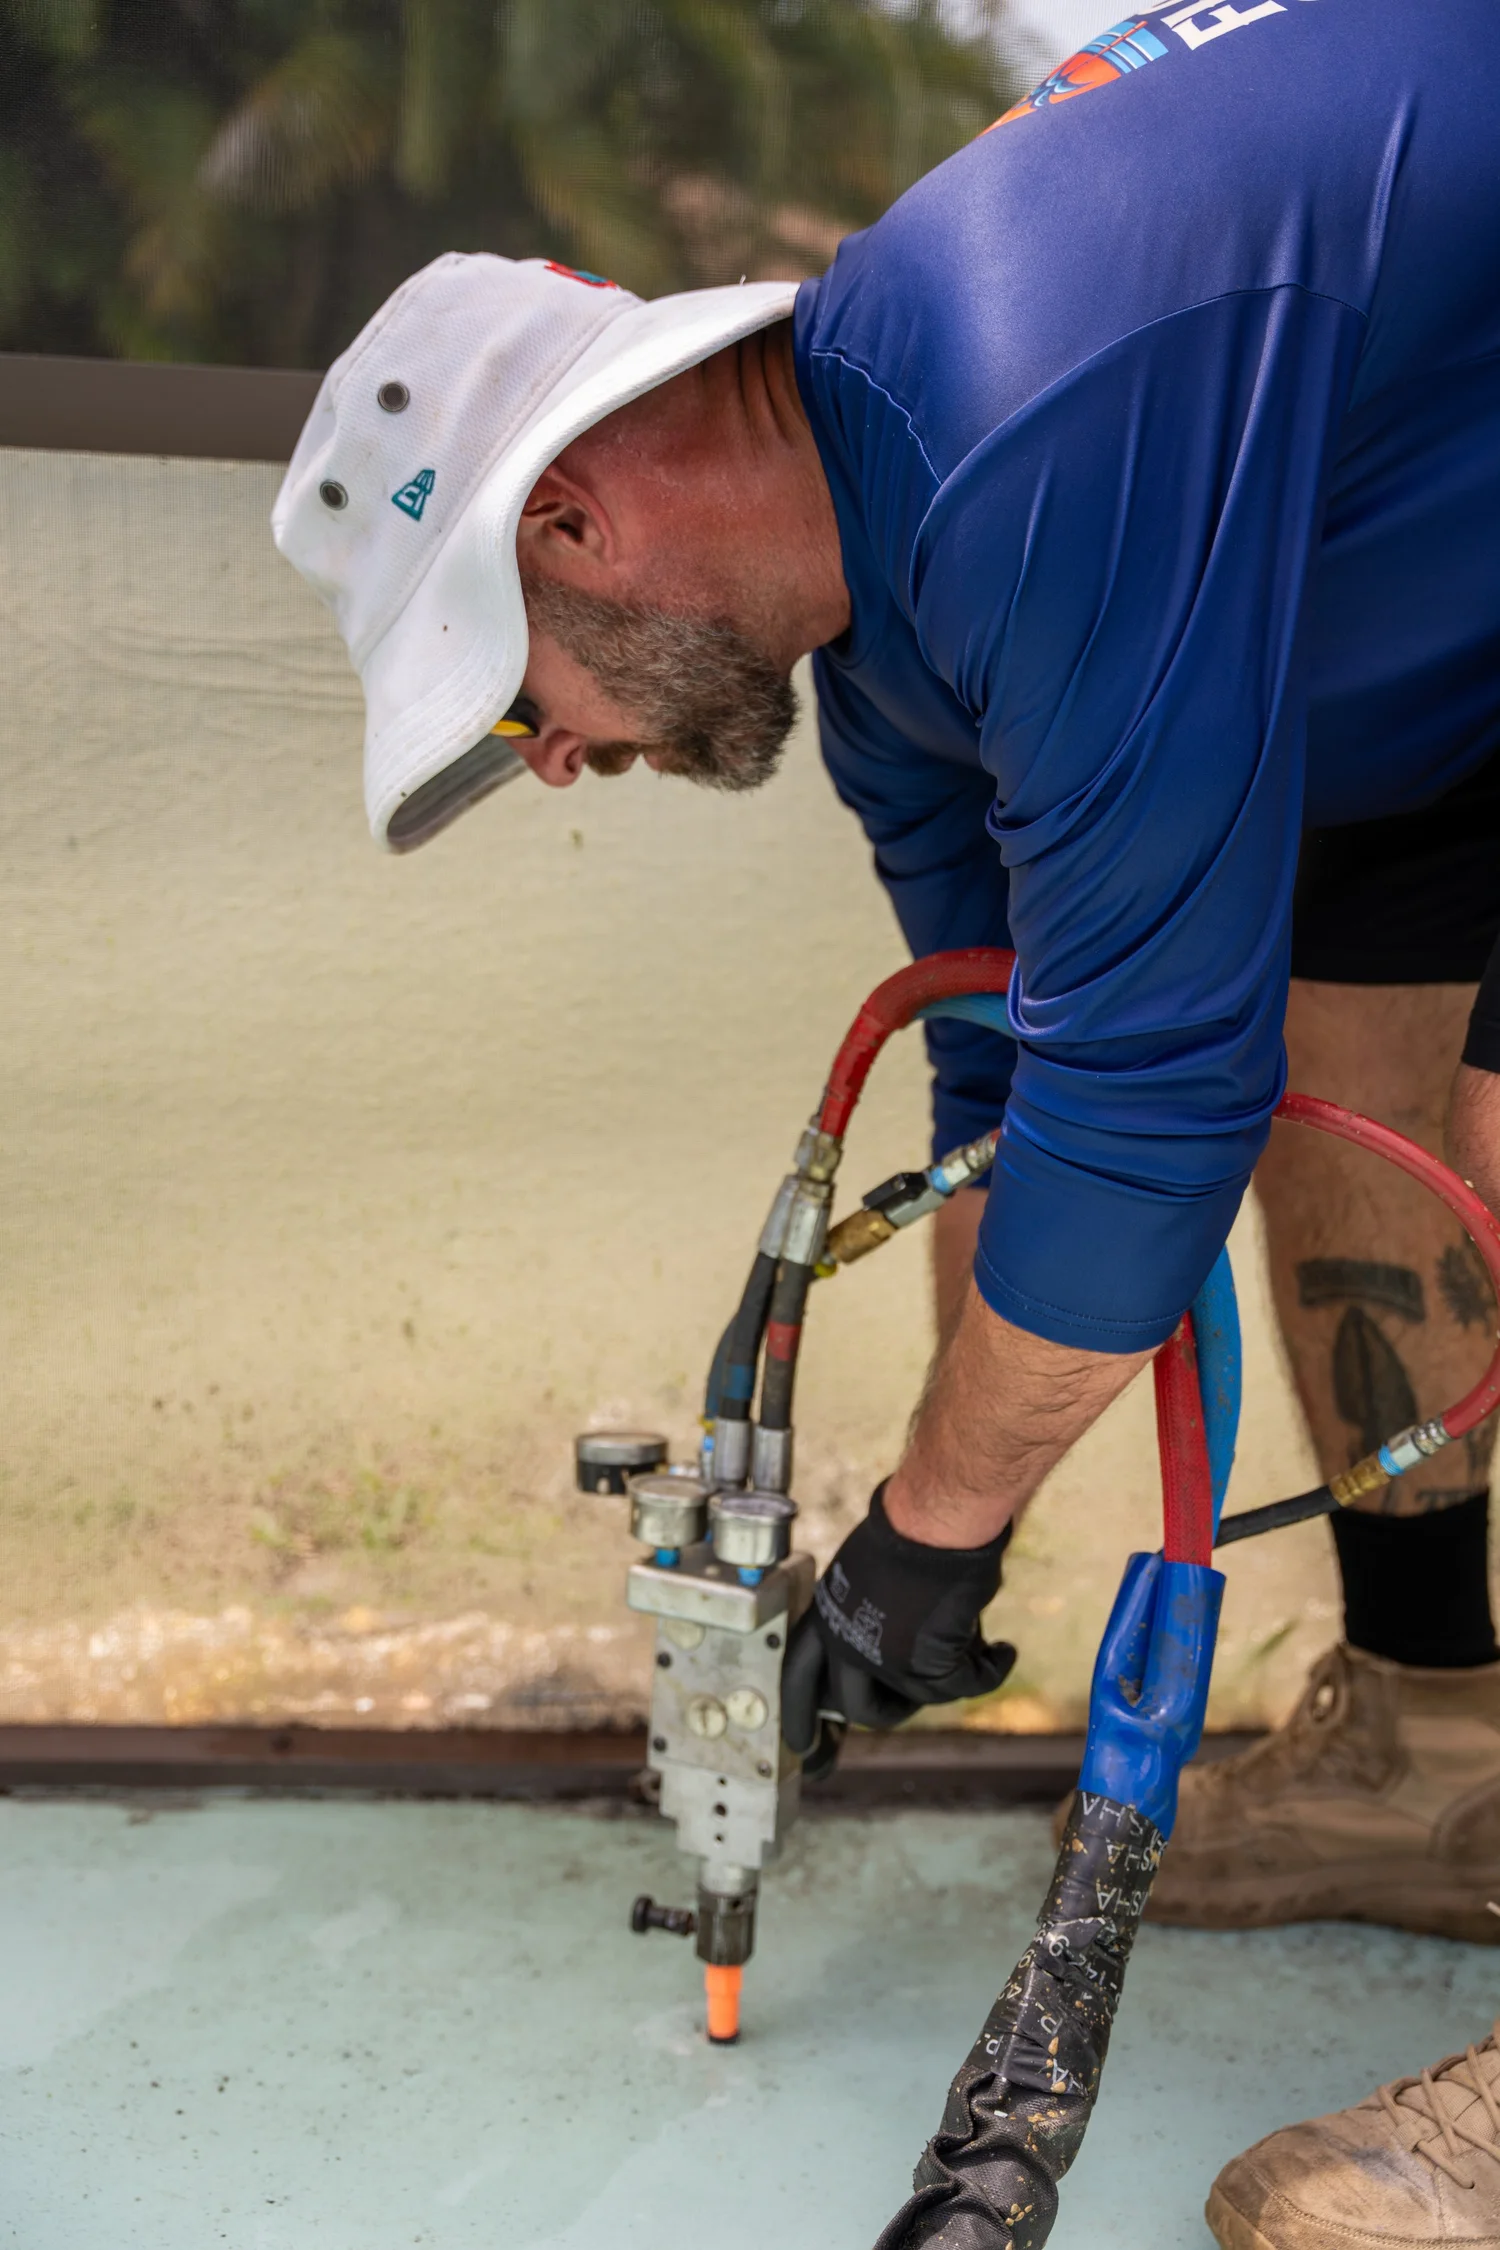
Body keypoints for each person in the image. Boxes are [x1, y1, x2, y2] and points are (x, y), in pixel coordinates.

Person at [273, 1, 1500, 2240]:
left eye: (505, 696)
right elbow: (1012, 1092)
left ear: (575, 514)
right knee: (1350, 1035)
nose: (547, 764)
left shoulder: (1023, 398)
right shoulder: (899, 657)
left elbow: (1147, 1101)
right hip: (1458, 622)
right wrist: (926, 1543)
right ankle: (1448, 1741)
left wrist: (930, 1543)